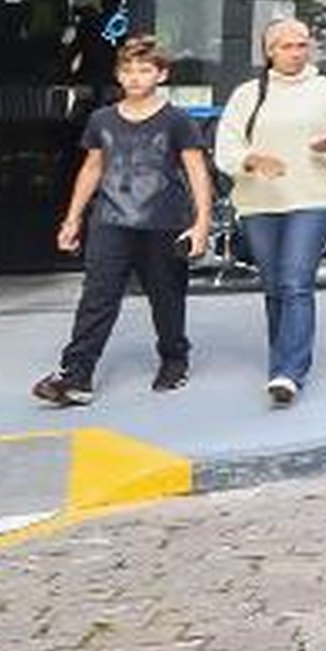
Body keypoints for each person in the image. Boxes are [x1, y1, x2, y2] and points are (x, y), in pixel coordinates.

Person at [33, 34, 214, 408]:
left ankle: (174, 359)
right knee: (97, 298)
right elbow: (92, 168)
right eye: (127, 70)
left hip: (163, 221)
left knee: (166, 297)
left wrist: (200, 224)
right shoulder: (102, 119)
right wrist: (72, 219)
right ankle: (76, 375)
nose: (134, 77)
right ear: (118, 74)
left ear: (161, 75)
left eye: (144, 70)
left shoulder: (177, 121)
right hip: (111, 220)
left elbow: (197, 172)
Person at [216, 17, 326, 407]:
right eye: (287, 45)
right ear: (269, 51)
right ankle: (281, 361)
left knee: (296, 282)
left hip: (312, 200)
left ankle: (288, 372)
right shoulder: (247, 95)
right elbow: (225, 150)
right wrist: (252, 162)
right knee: (274, 285)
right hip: (259, 202)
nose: (297, 52)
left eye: (302, 45)